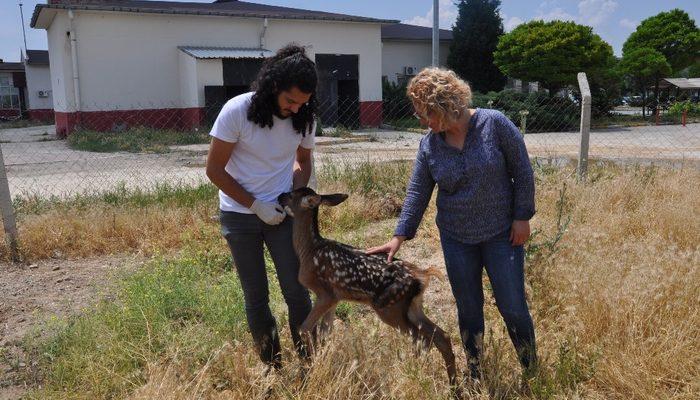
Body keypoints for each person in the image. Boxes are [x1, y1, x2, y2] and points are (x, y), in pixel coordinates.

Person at [367, 67, 538, 381]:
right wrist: (399, 236)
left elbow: (522, 171)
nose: (423, 121)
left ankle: (532, 371)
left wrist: (522, 217)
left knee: (512, 305)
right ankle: (475, 373)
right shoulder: (430, 145)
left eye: (426, 113)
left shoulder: (494, 124)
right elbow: (418, 191)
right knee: (469, 309)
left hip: (502, 234)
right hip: (457, 239)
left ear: (446, 105)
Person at [205, 44, 317, 370]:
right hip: (240, 217)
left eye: (304, 103)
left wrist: (295, 199)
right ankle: (272, 366)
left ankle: (310, 363)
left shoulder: (304, 119)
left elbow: (304, 161)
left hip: (281, 216)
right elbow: (214, 171)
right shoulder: (237, 111)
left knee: (297, 291)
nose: (296, 109)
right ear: (272, 87)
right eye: (290, 101)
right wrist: (255, 205)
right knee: (256, 298)